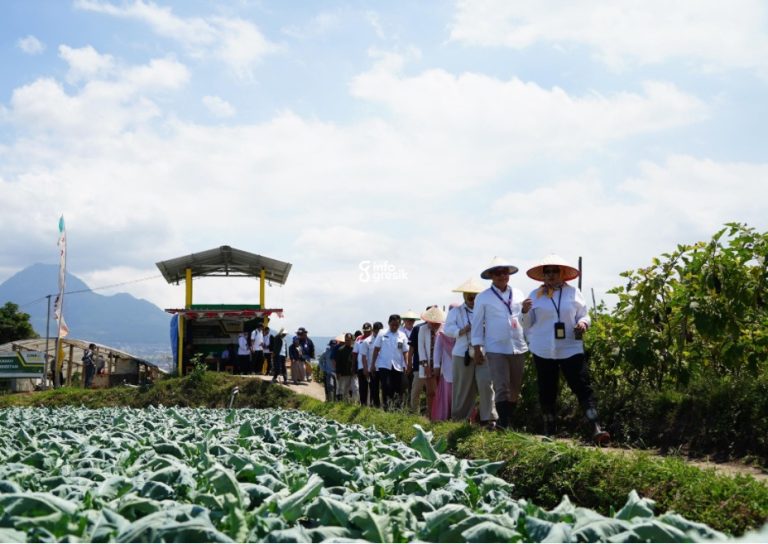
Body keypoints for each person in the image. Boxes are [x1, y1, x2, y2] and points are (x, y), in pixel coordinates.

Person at [522, 254, 610, 443]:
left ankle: (596, 428)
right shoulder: (534, 296)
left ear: (562, 273)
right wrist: (524, 312)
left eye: (555, 271)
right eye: (548, 272)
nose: (551, 275)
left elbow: (584, 315)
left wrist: (583, 324)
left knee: (582, 386)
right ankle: (550, 431)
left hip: (570, 347)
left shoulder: (573, 293)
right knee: (547, 390)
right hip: (543, 348)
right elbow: (527, 324)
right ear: (543, 275)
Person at [471, 257, 529, 430]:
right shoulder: (483, 297)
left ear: (509, 274)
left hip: (517, 345)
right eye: (497, 273)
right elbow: (477, 323)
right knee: (501, 385)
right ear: (491, 276)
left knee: (515, 387)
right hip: (495, 346)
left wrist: (525, 311)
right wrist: (477, 347)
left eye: (505, 272)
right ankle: (504, 423)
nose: (502, 275)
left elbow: (523, 318)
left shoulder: (518, 294)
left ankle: (506, 421)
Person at [445, 277, 498, 426]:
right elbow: (448, 328)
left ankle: (489, 418)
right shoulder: (456, 311)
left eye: (474, 294)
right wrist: (461, 331)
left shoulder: (486, 310)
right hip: (462, 353)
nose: (471, 297)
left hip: (483, 352)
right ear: (463, 295)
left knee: (486, 383)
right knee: (463, 387)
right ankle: (459, 419)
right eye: (468, 294)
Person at [410, 306, 445, 415]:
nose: (434, 324)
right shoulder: (422, 329)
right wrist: (426, 366)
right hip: (427, 365)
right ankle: (431, 414)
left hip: (443, 364)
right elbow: (421, 349)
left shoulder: (444, 328)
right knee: (430, 392)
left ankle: (441, 413)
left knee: (441, 391)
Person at [371, 314, 409, 410]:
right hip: (384, 365)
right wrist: (372, 365)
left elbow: (405, 351)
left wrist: (407, 364)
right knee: (387, 386)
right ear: (388, 323)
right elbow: (376, 349)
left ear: (399, 325)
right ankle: (386, 408)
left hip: (398, 365)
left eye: (397, 325)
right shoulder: (382, 333)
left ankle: (397, 408)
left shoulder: (402, 335)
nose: (394, 327)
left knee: (398, 387)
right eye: (392, 325)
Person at [431, 309, 457, 421]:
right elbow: (437, 350)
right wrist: (436, 365)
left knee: (461, 392)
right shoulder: (442, 330)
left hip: (461, 367)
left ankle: (459, 417)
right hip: (447, 368)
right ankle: (444, 417)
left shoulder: (462, 327)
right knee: (446, 394)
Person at [333, 333, 357, 402]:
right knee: (344, 390)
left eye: (349, 340)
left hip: (353, 373)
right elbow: (338, 362)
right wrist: (338, 372)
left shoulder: (355, 349)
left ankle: (355, 402)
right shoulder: (340, 350)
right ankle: (345, 403)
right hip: (344, 373)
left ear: (352, 340)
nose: (347, 342)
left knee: (355, 387)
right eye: (346, 340)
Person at [354, 323, 373, 405]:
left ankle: (372, 404)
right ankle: (363, 404)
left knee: (373, 387)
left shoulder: (374, 338)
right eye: (365, 331)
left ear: (371, 330)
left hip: (372, 367)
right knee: (363, 387)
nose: (366, 333)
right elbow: (355, 353)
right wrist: (354, 366)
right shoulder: (359, 339)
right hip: (361, 366)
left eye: (368, 331)